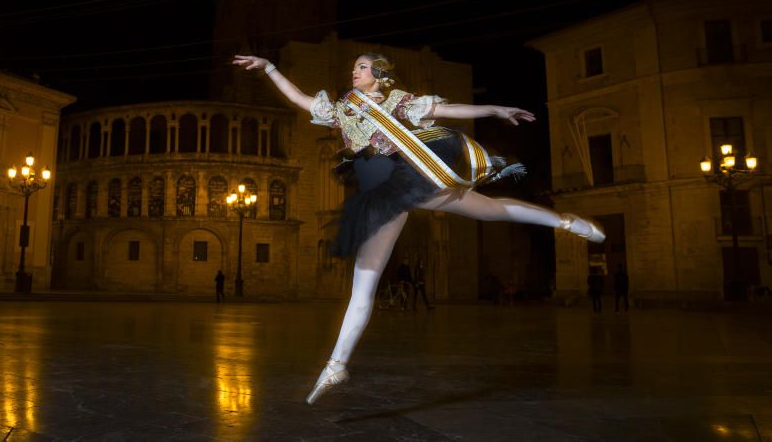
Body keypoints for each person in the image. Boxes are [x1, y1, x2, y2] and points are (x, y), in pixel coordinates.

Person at [231, 53, 605, 404]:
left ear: (378, 75)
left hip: (409, 180)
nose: (354, 72)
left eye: (362, 67)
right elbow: (299, 98)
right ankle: (336, 366)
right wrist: (268, 68)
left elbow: (448, 109)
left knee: (491, 211)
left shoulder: (399, 103)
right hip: (380, 195)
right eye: (354, 68)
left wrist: (493, 108)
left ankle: (566, 222)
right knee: (363, 284)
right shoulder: (343, 108)